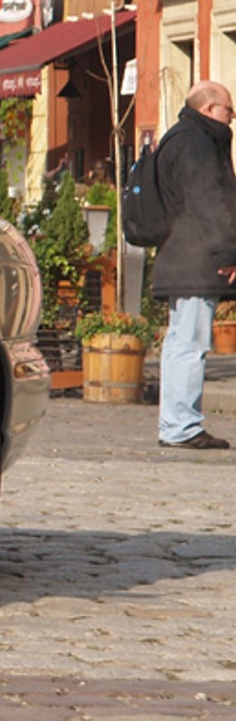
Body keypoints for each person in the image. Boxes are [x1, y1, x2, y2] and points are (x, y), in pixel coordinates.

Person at [151, 80, 236, 450]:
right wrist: (228, 253)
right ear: (209, 109)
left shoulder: (179, 137)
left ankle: (176, 422)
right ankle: (181, 426)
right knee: (189, 341)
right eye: (229, 111)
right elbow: (208, 201)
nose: (231, 118)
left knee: (180, 341)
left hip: (182, 255)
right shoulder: (197, 144)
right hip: (196, 259)